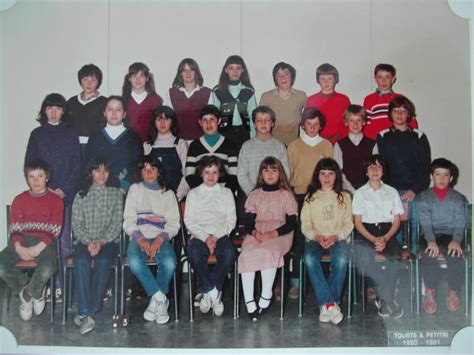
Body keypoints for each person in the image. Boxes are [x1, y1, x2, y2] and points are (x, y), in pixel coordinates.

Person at [25, 93, 81, 301]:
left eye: (58, 108)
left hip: (64, 198)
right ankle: (45, 286)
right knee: (44, 243)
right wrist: (43, 189)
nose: (54, 112)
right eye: (50, 108)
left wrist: (64, 190)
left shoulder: (70, 133)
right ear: (44, 110)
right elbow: (29, 165)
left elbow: (77, 166)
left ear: (63, 111)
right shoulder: (37, 134)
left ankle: (60, 287)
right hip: (42, 197)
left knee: (64, 243)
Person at [0, 160, 63, 321]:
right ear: (27, 178)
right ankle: (26, 290)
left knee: (48, 266)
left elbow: (55, 229)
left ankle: (31, 294)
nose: (36, 181)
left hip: (45, 242)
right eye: (32, 176)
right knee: (1, 264)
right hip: (21, 241)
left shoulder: (56, 200)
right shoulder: (19, 200)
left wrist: (38, 248)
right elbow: (15, 229)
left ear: (46, 178)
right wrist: (20, 248)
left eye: (40, 176)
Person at [238, 157, 298, 321]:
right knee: (246, 254)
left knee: (268, 251)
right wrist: (255, 232)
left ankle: (266, 295)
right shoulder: (255, 194)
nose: (270, 174)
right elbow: (248, 220)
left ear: (280, 173)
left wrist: (272, 234)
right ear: (260, 174)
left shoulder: (286, 195)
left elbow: (291, 223)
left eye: (274, 170)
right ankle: (249, 300)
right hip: (257, 231)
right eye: (266, 170)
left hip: (280, 232)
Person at [123, 155, 180, 324]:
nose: (149, 173)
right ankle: (159, 297)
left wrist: (158, 240)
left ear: (159, 172)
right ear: (140, 173)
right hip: (138, 236)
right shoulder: (135, 189)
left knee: (170, 262)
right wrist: (140, 239)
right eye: (145, 170)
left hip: (160, 238)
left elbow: (174, 224)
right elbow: (128, 220)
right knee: (134, 261)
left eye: (152, 169)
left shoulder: (168, 193)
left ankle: (156, 301)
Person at [71, 156, 123, 334]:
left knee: (103, 262)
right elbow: (77, 225)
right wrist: (89, 242)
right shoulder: (81, 194)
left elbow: (116, 224)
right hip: (85, 240)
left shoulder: (116, 194)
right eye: (97, 170)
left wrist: (100, 242)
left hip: (107, 242)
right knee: (80, 262)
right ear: (90, 172)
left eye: (105, 171)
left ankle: (90, 311)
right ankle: (85, 311)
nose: (101, 175)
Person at [287, 107, 333, 298]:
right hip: (299, 196)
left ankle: (324, 281)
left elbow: (331, 173)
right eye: (308, 124)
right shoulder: (293, 146)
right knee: (299, 240)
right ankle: (296, 282)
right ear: (302, 125)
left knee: (324, 237)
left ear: (320, 126)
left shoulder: (326, 145)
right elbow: (288, 175)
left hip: (322, 198)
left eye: (316, 124)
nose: (312, 128)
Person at [301, 158, 353, 325]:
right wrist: (316, 236)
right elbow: (306, 224)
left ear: (337, 176)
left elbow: (348, 223)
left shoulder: (344, 197)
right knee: (309, 259)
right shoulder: (310, 197)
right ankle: (331, 304)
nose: (327, 177)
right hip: (315, 238)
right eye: (323, 174)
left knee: (342, 259)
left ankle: (326, 305)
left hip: (338, 238)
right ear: (318, 176)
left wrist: (337, 236)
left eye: (331, 173)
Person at [352, 155, 405, 318]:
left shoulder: (392, 192)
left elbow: (397, 220)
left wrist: (386, 238)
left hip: (387, 232)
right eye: (371, 167)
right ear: (366, 172)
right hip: (366, 233)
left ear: (383, 171)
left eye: (378, 167)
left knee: (395, 257)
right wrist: (373, 239)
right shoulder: (360, 193)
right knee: (367, 259)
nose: (375, 170)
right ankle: (388, 298)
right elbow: (358, 223)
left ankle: (384, 298)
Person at [185, 156, 237, 317]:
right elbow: (189, 220)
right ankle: (214, 292)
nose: (211, 176)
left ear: (220, 174)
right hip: (199, 235)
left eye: (214, 172)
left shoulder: (227, 193)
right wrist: (205, 237)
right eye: (207, 172)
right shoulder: (193, 194)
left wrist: (215, 236)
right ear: (201, 173)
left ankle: (209, 292)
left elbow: (231, 220)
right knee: (193, 252)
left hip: (220, 234)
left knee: (229, 253)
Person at [377, 96, 431, 247]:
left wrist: (414, 190)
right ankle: (399, 260)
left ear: (409, 114)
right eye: (395, 110)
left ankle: (414, 258)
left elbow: (425, 167)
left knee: (415, 226)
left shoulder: (419, 136)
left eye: (403, 110)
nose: (399, 114)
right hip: (391, 191)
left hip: (415, 191)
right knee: (394, 228)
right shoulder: (382, 136)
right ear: (390, 114)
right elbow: (381, 167)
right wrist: (390, 192)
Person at [418, 158, 467, 314]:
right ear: (432, 176)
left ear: (451, 178)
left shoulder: (458, 198)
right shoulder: (425, 196)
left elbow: (460, 222)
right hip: (429, 234)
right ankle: (430, 291)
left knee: (455, 255)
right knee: (429, 255)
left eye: (446, 175)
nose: (441, 179)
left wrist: (456, 241)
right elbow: (425, 221)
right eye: (438, 174)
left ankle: (453, 290)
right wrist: (431, 242)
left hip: (450, 235)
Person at [85, 95, 143, 192]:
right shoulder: (95, 137)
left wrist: (125, 185)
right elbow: (89, 166)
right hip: (100, 189)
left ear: (124, 114)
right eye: (110, 109)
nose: (114, 114)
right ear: (104, 113)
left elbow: (137, 166)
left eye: (118, 110)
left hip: (127, 189)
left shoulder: (134, 137)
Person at [237, 105, 290, 197]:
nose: (263, 123)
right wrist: (252, 193)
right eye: (259, 120)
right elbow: (242, 175)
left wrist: (276, 192)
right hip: (253, 196)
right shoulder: (246, 146)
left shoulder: (280, 146)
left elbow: (286, 174)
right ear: (254, 124)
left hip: (275, 195)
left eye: (267, 120)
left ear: (272, 123)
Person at [185, 105, 238, 193]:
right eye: (205, 120)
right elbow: (189, 175)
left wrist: (223, 192)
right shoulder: (194, 146)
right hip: (200, 193)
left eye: (212, 119)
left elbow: (234, 175)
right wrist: (204, 191)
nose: (208, 124)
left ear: (219, 121)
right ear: (200, 122)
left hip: (224, 193)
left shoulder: (230, 144)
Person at [363, 63, 418, 140]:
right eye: (380, 77)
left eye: (387, 77)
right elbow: (366, 124)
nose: (384, 81)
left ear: (393, 79)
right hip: (377, 141)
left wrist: (407, 137)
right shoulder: (369, 99)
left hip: (398, 140)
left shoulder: (400, 98)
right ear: (375, 79)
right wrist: (372, 141)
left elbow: (411, 121)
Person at [144, 105, 189, 200]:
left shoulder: (181, 144)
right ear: (154, 122)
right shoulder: (147, 146)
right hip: (151, 197)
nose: (162, 123)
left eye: (166, 119)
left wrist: (178, 195)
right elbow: (144, 174)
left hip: (175, 196)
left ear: (172, 122)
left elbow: (186, 173)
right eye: (159, 119)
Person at [213, 55, 257, 148]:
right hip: (224, 132)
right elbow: (214, 116)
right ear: (226, 70)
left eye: (238, 68)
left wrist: (253, 136)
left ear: (242, 70)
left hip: (244, 133)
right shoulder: (218, 91)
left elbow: (253, 115)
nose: (235, 71)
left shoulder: (248, 91)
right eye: (231, 68)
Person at [65, 63, 108, 157]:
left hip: (97, 146)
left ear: (98, 82)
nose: (89, 83)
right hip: (73, 147)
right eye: (85, 79)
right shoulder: (71, 102)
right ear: (80, 81)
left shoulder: (105, 102)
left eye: (93, 80)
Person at [259, 62, 307, 145]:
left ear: (292, 77)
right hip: (271, 143)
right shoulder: (266, 97)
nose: (282, 78)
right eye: (278, 75)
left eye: (286, 74)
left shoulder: (301, 96)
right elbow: (259, 120)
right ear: (275, 79)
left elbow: (310, 116)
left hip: (293, 144)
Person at [333, 105, 378, 193]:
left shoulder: (372, 144)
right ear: (346, 122)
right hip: (346, 190)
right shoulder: (339, 145)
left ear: (364, 122)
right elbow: (338, 171)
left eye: (358, 120)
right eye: (351, 120)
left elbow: (375, 170)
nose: (355, 124)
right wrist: (351, 190)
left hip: (368, 190)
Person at [165, 58, 212, 141]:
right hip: (178, 142)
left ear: (196, 73)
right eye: (184, 70)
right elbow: (168, 120)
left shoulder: (207, 93)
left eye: (191, 70)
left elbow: (211, 120)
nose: (188, 73)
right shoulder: (172, 93)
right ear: (180, 74)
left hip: (201, 141)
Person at [306, 63, 350, 144]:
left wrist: (334, 141)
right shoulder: (311, 100)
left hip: (339, 142)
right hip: (317, 142)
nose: (326, 82)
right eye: (322, 79)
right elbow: (309, 124)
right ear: (318, 81)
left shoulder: (343, 100)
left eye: (330, 78)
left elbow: (346, 124)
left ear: (335, 80)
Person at [122, 62, 163, 143]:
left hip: (149, 144)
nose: (138, 80)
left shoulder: (156, 100)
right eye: (134, 76)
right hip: (127, 143)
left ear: (147, 78)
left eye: (142, 76)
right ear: (129, 78)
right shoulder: (123, 100)